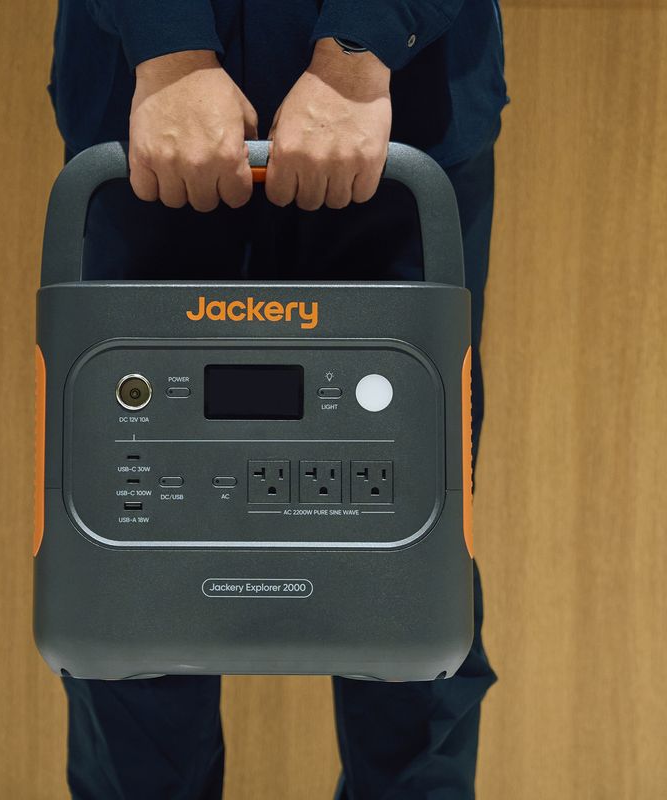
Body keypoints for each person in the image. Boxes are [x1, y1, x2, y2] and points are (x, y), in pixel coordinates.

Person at [47, 2, 508, 797]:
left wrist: (357, 56)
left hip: (400, 113)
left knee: (406, 579)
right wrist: (170, 52)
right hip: (148, 123)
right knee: (132, 579)